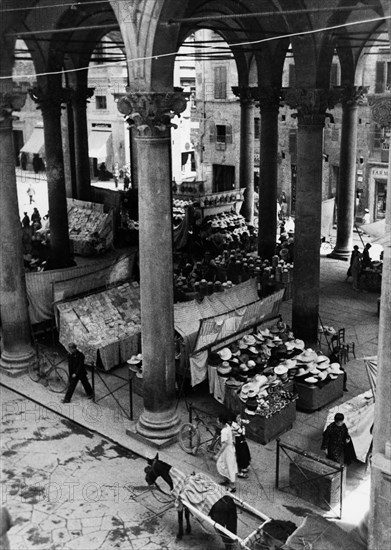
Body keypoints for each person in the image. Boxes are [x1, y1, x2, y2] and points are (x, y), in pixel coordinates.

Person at [214, 414, 237, 492]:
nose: (217, 422)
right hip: (230, 449)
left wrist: (218, 454)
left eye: (218, 421)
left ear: (221, 422)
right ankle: (226, 479)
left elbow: (224, 444)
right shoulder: (227, 426)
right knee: (224, 464)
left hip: (227, 451)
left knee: (229, 467)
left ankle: (232, 486)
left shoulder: (224, 431)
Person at [231, 413, 251, 477]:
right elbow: (239, 431)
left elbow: (247, 422)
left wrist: (244, 422)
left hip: (242, 440)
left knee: (245, 454)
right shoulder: (234, 425)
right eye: (238, 417)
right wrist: (241, 425)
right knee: (240, 455)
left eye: (240, 417)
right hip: (238, 441)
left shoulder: (239, 422)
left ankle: (244, 466)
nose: (239, 418)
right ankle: (240, 471)